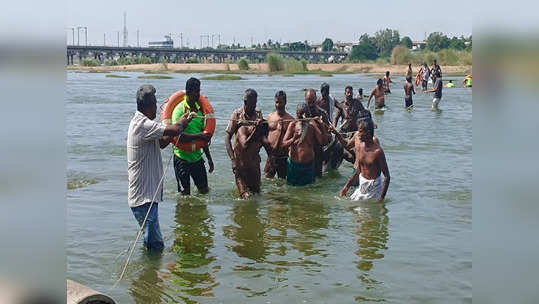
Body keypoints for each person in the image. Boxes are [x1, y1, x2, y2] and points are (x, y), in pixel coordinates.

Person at [127, 84, 196, 252]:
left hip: (147, 197)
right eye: (156, 104)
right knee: (156, 246)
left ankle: (148, 276)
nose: (157, 108)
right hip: (143, 199)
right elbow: (177, 128)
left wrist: (178, 127)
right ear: (149, 106)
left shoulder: (144, 124)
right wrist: (186, 119)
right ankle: (151, 275)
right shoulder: (142, 124)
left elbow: (163, 142)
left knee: (150, 243)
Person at [171, 77, 213, 196]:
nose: (198, 95)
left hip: (197, 158)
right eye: (196, 91)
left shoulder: (200, 111)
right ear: (188, 92)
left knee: (204, 191)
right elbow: (178, 135)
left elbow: (204, 139)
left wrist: (209, 159)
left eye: (199, 91)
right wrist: (200, 135)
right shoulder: (179, 110)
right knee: (185, 196)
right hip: (181, 158)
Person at [332, 118, 390, 202]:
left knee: (369, 213)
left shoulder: (378, 152)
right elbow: (358, 170)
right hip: (362, 184)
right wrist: (346, 187)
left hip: (374, 188)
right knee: (353, 210)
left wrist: (381, 198)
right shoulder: (361, 147)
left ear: (368, 132)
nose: (358, 134)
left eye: (360, 131)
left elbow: (387, 176)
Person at [224, 89, 266, 199]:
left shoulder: (258, 114)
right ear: (245, 102)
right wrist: (233, 160)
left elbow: (261, 136)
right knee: (245, 198)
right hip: (240, 162)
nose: (254, 106)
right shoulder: (236, 115)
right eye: (252, 104)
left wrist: (261, 125)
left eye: (255, 103)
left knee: (256, 194)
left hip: (254, 162)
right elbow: (227, 138)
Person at [281, 104, 327, 186]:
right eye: (300, 115)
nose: (303, 117)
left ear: (308, 114)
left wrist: (322, 125)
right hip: (294, 166)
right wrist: (294, 138)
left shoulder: (312, 126)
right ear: (297, 114)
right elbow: (283, 144)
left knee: (309, 188)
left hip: (308, 166)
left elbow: (322, 142)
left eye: (305, 114)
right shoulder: (293, 125)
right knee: (292, 188)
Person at [234, 116, 271, 199]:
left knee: (257, 196)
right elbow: (245, 145)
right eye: (261, 135)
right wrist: (256, 131)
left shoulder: (261, 136)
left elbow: (270, 151)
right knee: (245, 198)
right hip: (241, 171)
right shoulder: (242, 130)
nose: (263, 138)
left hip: (254, 171)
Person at [264, 90, 294, 179]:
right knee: (267, 180)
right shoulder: (270, 117)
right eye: (276, 102)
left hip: (283, 157)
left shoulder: (291, 120)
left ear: (285, 102)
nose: (278, 105)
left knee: (282, 182)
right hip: (271, 156)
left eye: (280, 102)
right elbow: (264, 136)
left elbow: (292, 140)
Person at [303, 88, 330, 178]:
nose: (310, 105)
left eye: (312, 102)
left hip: (317, 151)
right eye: (308, 102)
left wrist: (320, 125)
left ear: (316, 100)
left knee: (318, 179)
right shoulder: (301, 112)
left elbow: (327, 137)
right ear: (305, 100)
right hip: (304, 152)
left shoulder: (322, 114)